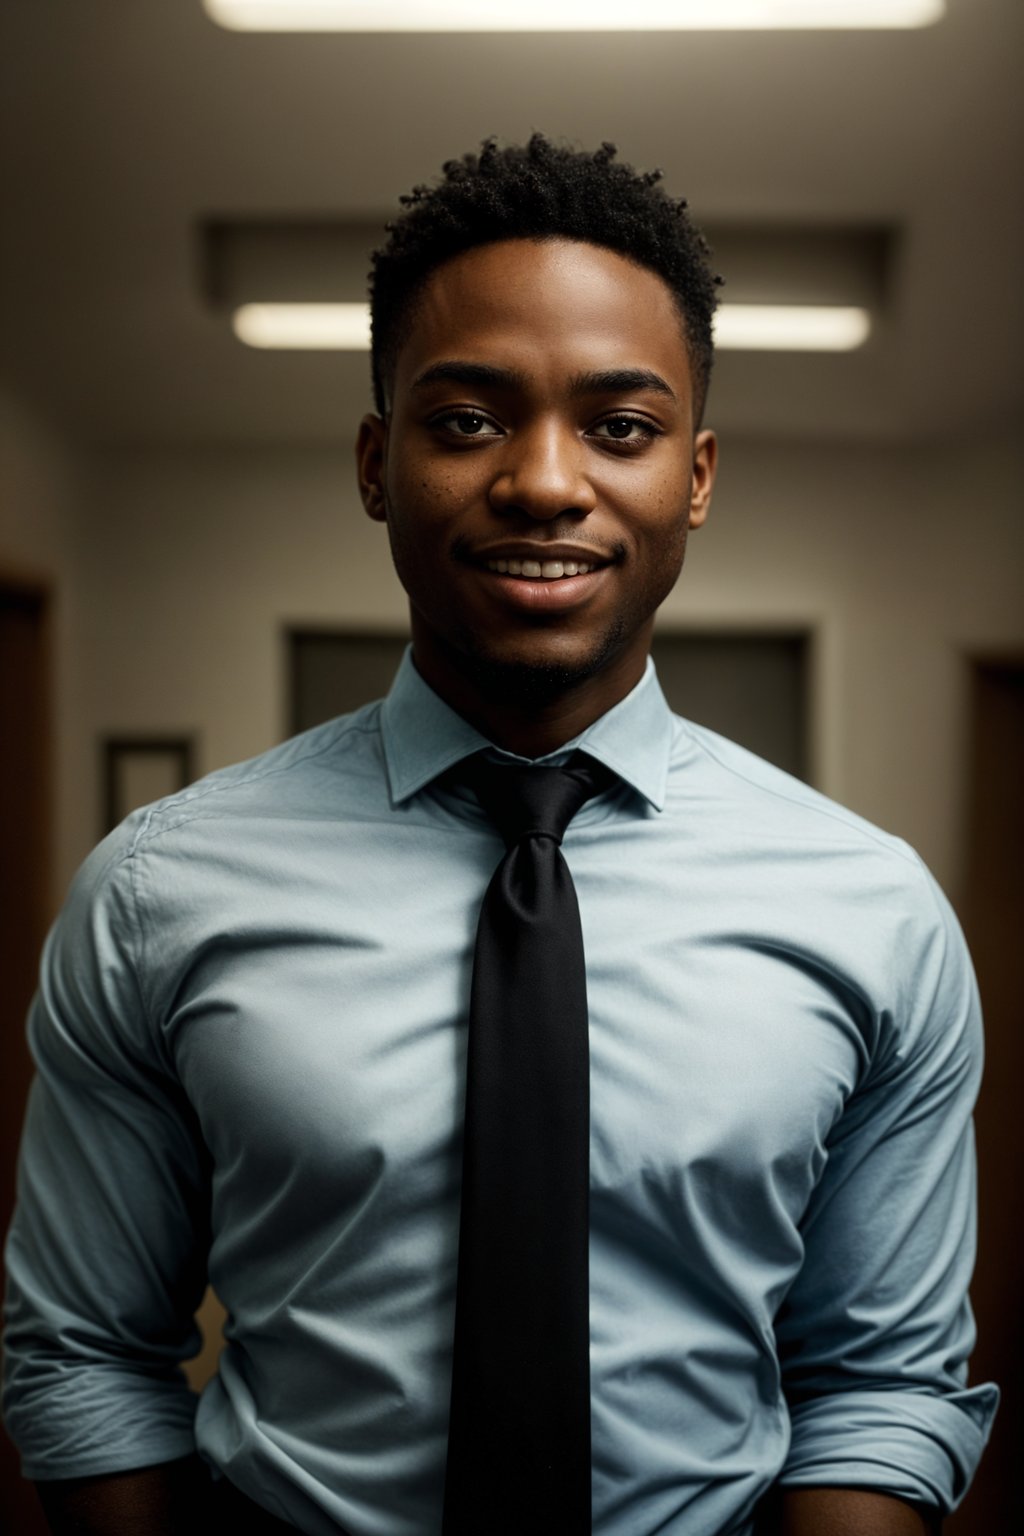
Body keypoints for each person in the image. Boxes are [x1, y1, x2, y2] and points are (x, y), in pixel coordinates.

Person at [2, 135, 997, 1536]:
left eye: (621, 426)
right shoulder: (158, 894)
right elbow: (88, 1352)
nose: (542, 482)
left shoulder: (870, 911)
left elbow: (879, 1382)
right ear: (374, 461)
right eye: (467, 419)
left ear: (697, 476)